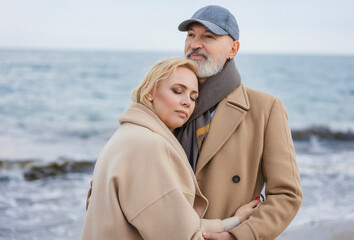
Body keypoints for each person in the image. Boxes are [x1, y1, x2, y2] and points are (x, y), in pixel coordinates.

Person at [81, 58, 260, 240]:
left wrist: (235, 221)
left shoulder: (126, 135)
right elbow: (183, 236)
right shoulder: (148, 145)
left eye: (193, 97)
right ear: (149, 92)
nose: (187, 102)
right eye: (177, 91)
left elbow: (174, 223)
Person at [176, 5, 303, 240]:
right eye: (191, 35)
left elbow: (287, 194)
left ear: (233, 49)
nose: (194, 44)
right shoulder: (165, 102)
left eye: (208, 37)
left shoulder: (265, 109)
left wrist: (238, 235)